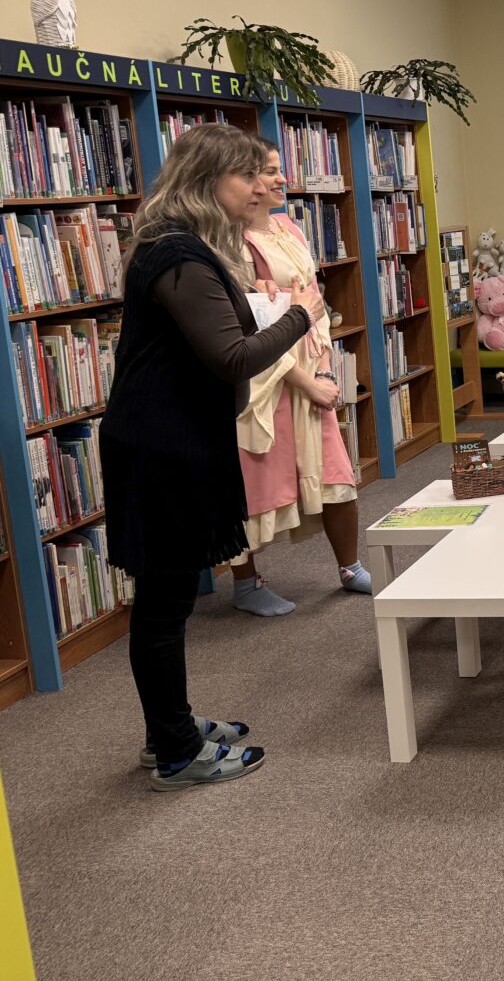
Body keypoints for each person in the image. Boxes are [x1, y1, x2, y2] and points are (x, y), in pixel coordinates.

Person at [103, 123, 323, 789]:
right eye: (246, 174)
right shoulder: (178, 255)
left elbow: (212, 339)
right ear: (205, 180)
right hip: (163, 447)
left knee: (164, 601)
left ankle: (169, 729)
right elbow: (231, 357)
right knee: (165, 604)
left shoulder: (181, 246)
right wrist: (300, 315)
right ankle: (176, 752)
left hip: (174, 438)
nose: (261, 185)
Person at [227, 138, 369, 617]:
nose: (280, 179)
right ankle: (246, 584)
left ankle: (349, 567)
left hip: (310, 363)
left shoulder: (287, 226)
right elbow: (250, 327)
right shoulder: (231, 243)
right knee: (256, 481)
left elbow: (313, 302)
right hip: (267, 379)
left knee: (335, 473)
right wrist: (306, 382)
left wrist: (323, 366)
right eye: (268, 171)